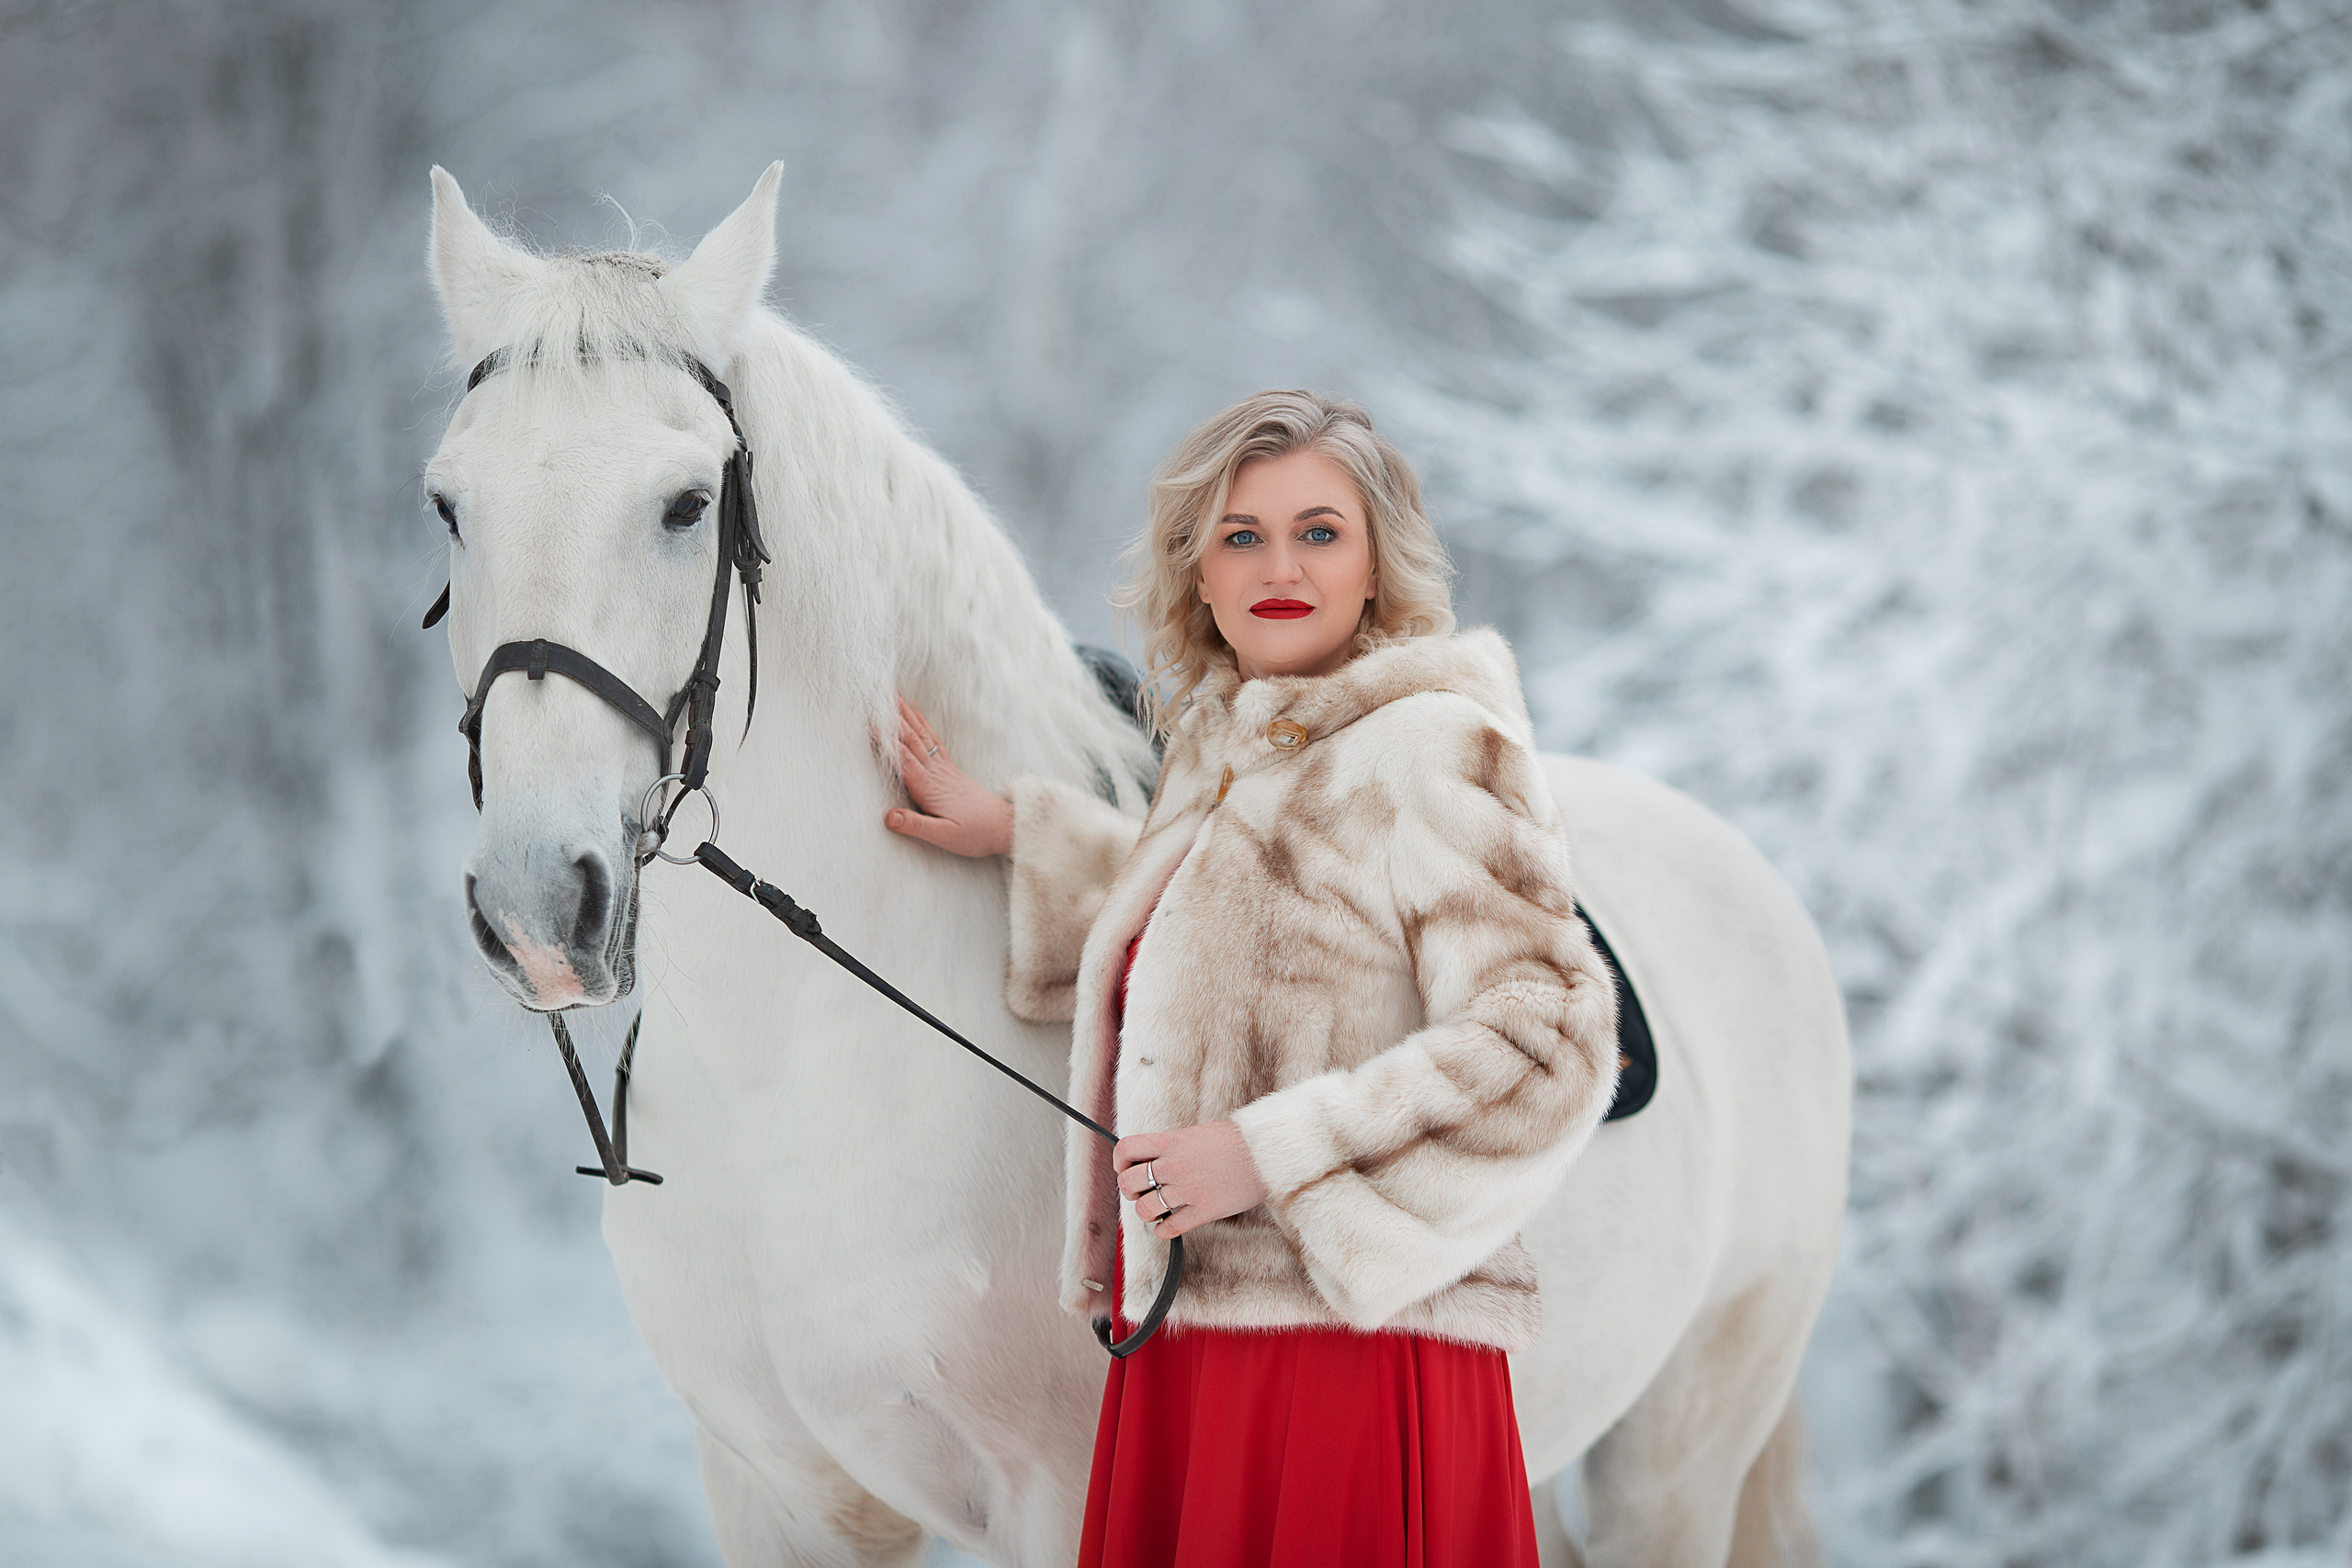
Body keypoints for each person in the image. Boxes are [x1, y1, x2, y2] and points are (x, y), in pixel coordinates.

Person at [884, 390, 1619, 1567]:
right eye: (1242, 536)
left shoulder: (1430, 745)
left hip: (1350, 1351)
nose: (1280, 565)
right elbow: (1244, 941)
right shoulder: (1229, 752)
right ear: (1202, 575)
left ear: (1378, 565)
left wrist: (1263, 1154)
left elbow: (1549, 1039)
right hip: (1191, 1334)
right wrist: (1031, 834)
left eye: (1319, 532)